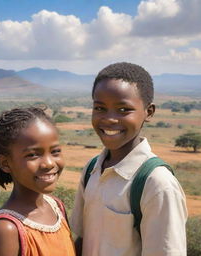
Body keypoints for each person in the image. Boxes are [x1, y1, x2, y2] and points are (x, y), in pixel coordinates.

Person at [71, 62, 188, 256]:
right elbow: (83, 239)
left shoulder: (157, 184)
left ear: (148, 112)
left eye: (124, 110)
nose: (110, 119)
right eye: (100, 108)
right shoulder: (92, 168)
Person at [0, 107, 75, 256]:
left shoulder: (56, 206)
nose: (49, 163)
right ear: (5, 163)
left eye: (55, 151)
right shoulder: (7, 229)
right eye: (33, 155)